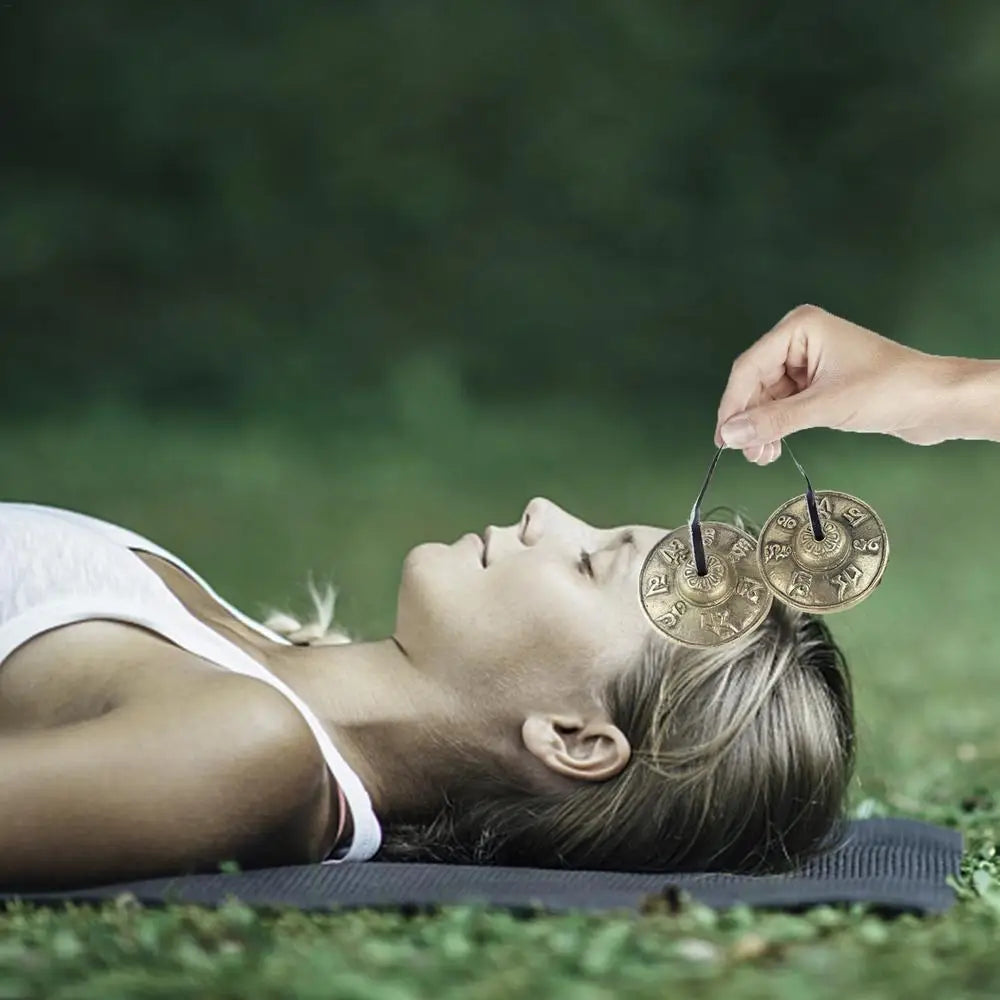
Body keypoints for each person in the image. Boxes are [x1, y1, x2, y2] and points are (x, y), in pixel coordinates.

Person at [0, 460, 858, 890]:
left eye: (591, 563)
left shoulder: (247, 748)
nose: (544, 513)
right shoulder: (260, 665)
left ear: (574, 737)